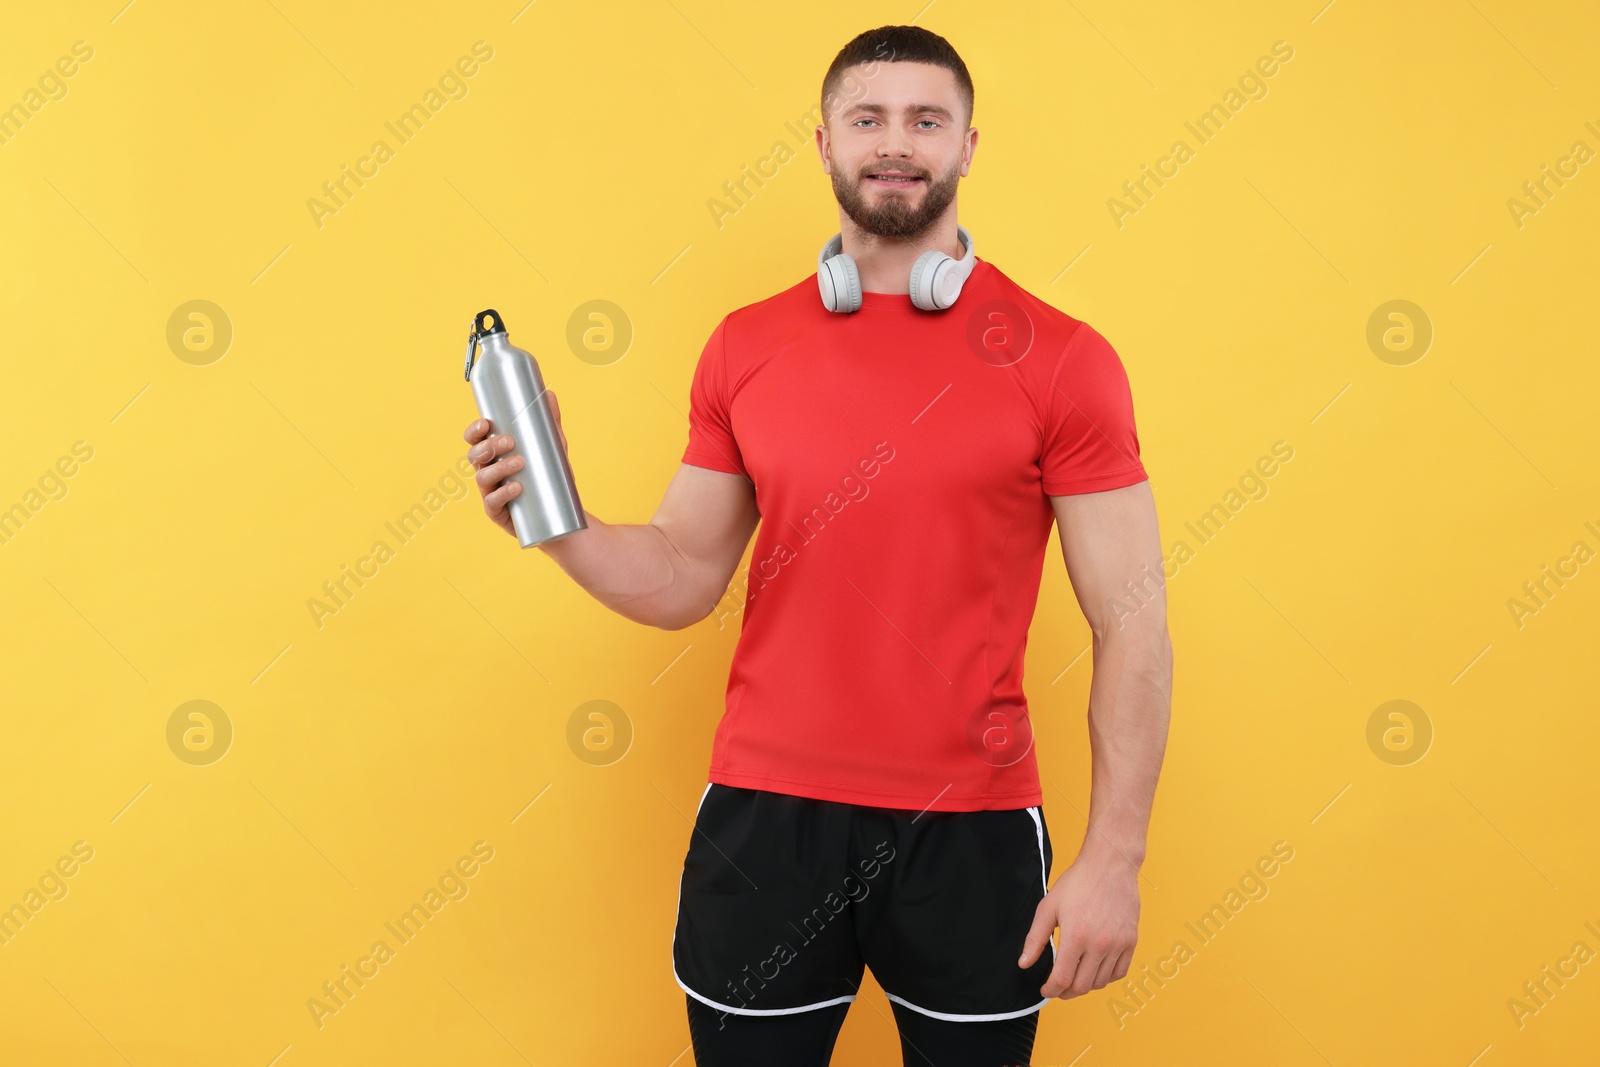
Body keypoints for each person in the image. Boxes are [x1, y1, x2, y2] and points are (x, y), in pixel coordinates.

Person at [464, 24, 1172, 1067]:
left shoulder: (1062, 359)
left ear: (969, 144)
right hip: (766, 821)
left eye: (926, 120)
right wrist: (556, 524)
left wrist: (1115, 855)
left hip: (968, 831)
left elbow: (1133, 619)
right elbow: (680, 573)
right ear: (824, 142)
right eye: (868, 119)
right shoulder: (745, 346)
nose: (897, 143)